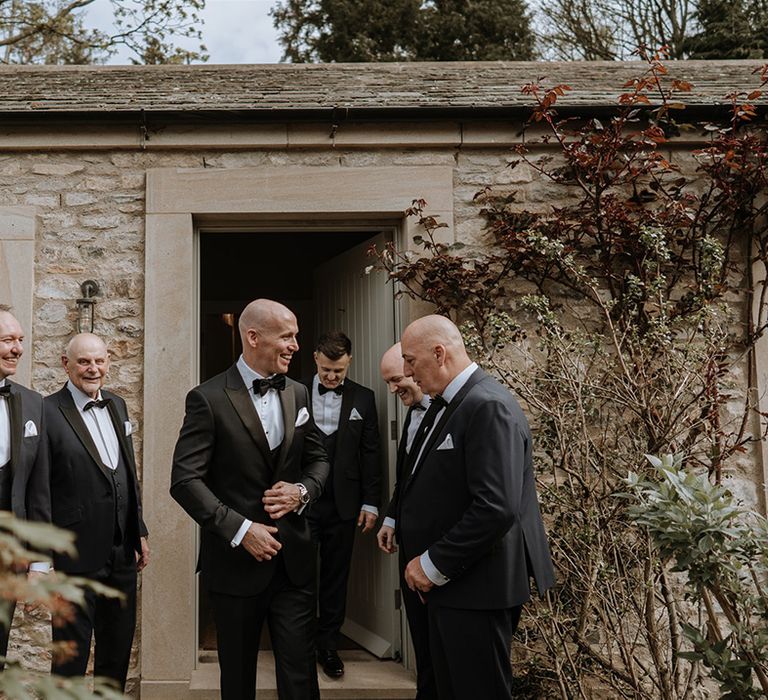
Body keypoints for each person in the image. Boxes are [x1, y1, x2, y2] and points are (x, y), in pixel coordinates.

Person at [170, 299, 329, 700]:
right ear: (253, 337)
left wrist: (302, 491)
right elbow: (185, 480)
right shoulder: (207, 398)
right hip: (234, 565)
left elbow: (320, 459)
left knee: (301, 678)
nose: (296, 344)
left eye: (296, 335)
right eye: (287, 336)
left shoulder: (298, 392)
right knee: (237, 680)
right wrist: (241, 530)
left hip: (294, 563)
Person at [398, 315, 555, 700]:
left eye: (411, 360)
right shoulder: (449, 404)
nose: (406, 372)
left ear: (439, 353)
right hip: (454, 590)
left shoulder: (488, 405)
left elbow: (495, 506)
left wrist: (432, 565)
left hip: (476, 589)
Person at [44, 333, 149, 690]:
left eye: (99, 361)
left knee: (116, 655)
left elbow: (127, 475)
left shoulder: (118, 405)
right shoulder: (47, 411)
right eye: (84, 362)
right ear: (66, 364)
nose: (93, 369)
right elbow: (40, 488)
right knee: (69, 661)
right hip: (73, 557)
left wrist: (140, 531)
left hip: (121, 554)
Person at [303, 331, 380, 678]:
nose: (332, 378)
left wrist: (372, 502)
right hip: (302, 502)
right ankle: (298, 644)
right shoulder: (296, 393)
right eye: (326, 371)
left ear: (349, 362)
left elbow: (371, 454)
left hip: (345, 505)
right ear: (315, 358)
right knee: (300, 574)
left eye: (339, 372)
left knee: (336, 575)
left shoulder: (364, 399)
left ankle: (328, 645)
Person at [376, 342, 436, 699]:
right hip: (409, 548)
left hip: (438, 552)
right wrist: (392, 517)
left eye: (397, 379)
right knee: (423, 643)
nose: (392, 389)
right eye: (387, 382)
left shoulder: (450, 411)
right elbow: (407, 478)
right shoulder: (412, 413)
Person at [0, 306, 51, 664]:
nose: (18, 348)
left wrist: (39, 563)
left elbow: (39, 490)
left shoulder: (33, 404)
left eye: (20, 340)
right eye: (7, 340)